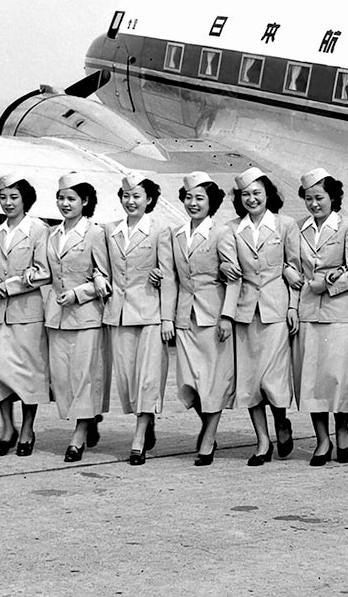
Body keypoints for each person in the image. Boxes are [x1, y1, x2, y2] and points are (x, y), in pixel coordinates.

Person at [218, 167, 299, 466]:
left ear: (268, 195)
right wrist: (222, 270)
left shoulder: (285, 225)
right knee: (250, 381)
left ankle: (281, 421)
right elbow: (228, 271)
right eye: (246, 195)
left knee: (272, 378)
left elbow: (295, 269)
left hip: (276, 310)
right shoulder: (229, 230)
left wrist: (293, 307)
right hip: (245, 311)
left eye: (257, 193)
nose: (252, 199)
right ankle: (262, 440)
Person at [286, 168, 348, 466]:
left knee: (337, 377)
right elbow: (291, 268)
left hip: (339, 312)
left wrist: (330, 283)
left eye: (319, 198)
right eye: (309, 198)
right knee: (310, 379)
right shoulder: (298, 228)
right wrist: (293, 306)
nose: (314, 204)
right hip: (307, 311)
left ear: (333, 198)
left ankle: (342, 428)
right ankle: (322, 439)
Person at [99, 172, 176, 466]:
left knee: (147, 378)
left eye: (137, 196)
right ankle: (147, 420)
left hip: (150, 314)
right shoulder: (109, 231)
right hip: (118, 313)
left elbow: (168, 275)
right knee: (128, 380)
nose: (130, 201)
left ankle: (139, 437)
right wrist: (97, 279)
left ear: (150, 200)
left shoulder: (160, 232)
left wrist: (167, 318)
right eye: (126, 196)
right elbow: (99, 267)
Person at [0, 174, 50, 457]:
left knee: (28, 375)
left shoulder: (38, 230)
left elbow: (43, 271)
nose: (8, 203)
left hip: (28, 314)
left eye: (14, 197)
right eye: (3, 197)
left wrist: (7, 286)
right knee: (0, 374)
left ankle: (27, 429)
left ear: (25, 199)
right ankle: (7, 427)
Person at [170, 171, 237, 466]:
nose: (193, 203)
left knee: (211, 383)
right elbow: (173, 274)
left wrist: (227, 316)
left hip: (212, 317)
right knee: (189, 383)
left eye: (200, 198)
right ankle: (207, 426)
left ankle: (209, 437)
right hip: (185, 316)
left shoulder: (221, 234)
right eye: (189, 197)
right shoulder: (177, 234)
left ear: (212, 203)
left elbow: (234, 277)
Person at [46, 172, 110, 463]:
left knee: (83, 375)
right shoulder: (53, 234)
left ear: (85, 201)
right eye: (61, 198)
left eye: (71, 198)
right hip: (57, 315)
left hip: (86, 315)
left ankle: (79, 435)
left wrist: (79, 294)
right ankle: (89, 418)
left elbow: (104, 276)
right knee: (63, 378)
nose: (65, 204)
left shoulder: (95, 233)